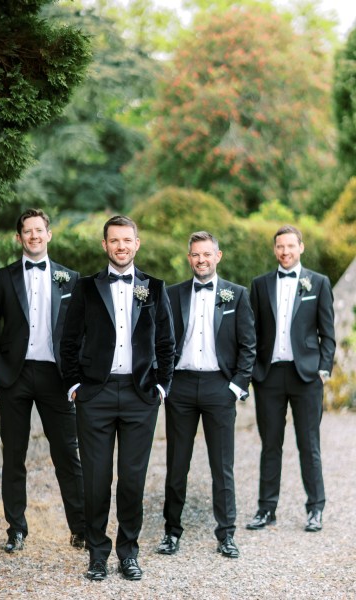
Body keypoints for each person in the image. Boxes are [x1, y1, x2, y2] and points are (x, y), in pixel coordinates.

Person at [60, 215, 175, 582]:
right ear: (105, 245)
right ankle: (97, 554)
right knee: (95, 480)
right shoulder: (85, 287)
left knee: (132, 480)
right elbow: (69, 340)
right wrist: (75, 384)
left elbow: (167, 343)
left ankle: (128, 552)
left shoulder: (154, 288)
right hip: (96, 394)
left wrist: (160, 386)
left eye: (127, 240)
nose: (121, 246)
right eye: (114, 241)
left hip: (141, 394)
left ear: (136, 244)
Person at [0, 208, 85, 553]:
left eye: (40, 230)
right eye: (28, 231)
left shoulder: (70, 280)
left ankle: (80, 529)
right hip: (14, 376)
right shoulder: (2, 278)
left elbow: (81, 332)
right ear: (19, 237)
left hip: (57, 378)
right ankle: (16, 529)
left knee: (68, 455)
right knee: (14, 455)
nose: (34, 236)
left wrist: (77, 375)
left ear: (49, 234)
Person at [157, 231, 256, 559]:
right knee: (176, 464)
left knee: (222, 465)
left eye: (207, 254)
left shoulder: (237, 295)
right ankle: (171, 532)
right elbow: (159, 341)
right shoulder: (172, 294)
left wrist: (236, 387)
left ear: (218, 255)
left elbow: (248, 345)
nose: (201, 260)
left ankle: (226, 534)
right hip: (181, 388)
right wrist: (163, 383)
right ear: (189, 258)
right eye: (195, 254)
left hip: (219, 387)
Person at [246, 224, 335, 533]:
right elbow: (251, 332)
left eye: (290, 246)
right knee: (270, 444)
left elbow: (328, 334)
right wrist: (252, 372)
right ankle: (266, 509)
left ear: (301, 247)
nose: (285, 251)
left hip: (306, 377)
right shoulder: (259, 285)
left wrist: (323, 370)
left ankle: (315, 509)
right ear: (275, 250)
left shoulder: (318, 283)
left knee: (308, 444)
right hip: (269, 376)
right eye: (280, 246)